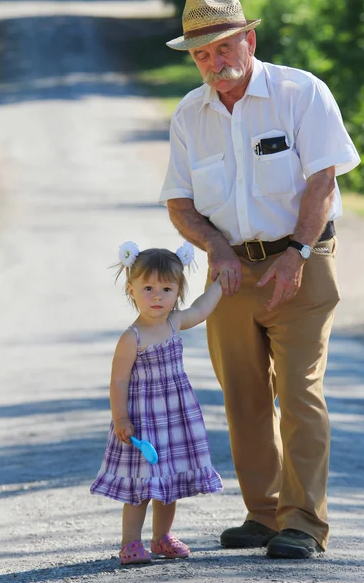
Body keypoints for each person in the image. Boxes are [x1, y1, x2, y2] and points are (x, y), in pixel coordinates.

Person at [159, 0, 360, 559]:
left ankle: (304, 524)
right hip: (228, 274)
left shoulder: (301, 93)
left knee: (299, 394)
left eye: (223, 47)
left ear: (249, 39)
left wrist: (296, 252)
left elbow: (323, 180)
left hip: (302, 262)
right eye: (201, 54)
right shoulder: (189, 114)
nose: (213, 62)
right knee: (243, 396)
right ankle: (265, 513)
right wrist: (215, 251)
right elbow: (180, 203)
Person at [90, 240, 223, 565]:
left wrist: (221, 280)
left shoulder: (174, 322)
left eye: (166, 288)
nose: (157, 296)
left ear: (177, 292)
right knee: (141, 486)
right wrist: (120, 418)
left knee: (171, 482)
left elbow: (203, 309)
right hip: (144, 421)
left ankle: (162, 537)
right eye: (147, 287)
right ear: (131, 290)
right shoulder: (131, 338)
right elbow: (118, 381)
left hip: (175, 417)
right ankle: (131, 543)